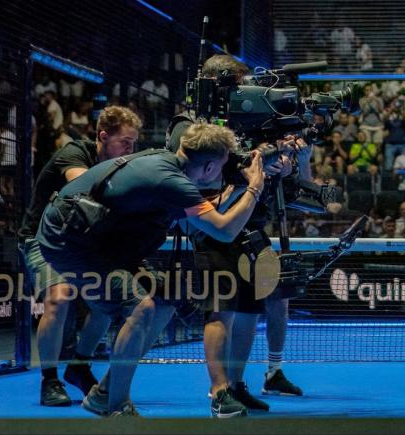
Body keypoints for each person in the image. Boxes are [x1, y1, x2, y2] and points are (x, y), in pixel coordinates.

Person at [32, 122, 264, 416]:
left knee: (164, 299)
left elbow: (204, 209)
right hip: (68, 242)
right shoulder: (169, 180)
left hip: (96, 238)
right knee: (139, 307)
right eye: (220, 165)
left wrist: (237, 187)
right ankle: (116, 407)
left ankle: (104, 393)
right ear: (207, 168)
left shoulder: (169, 165)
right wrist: (255, 187)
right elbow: (224, 229)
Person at [167, 54, 308, 417]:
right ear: (220, 83)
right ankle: (218, 392)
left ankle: (237, 384)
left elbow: (247, 169)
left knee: (248, 311)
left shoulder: (245, 124)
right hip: (212, 225)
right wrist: (246, 167)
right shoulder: (188, 126)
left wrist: (273, 164)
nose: (245, 92)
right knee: (221, 311)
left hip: (249, 223)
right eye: (239, 84)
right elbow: (198, 177)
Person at [18, 106, 141, 407]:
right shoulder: (74, 154)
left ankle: (79, 366)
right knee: (59, 298)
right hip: (42, 238)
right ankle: (49, 380)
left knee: (107, 302)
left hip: (82, 243)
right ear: (102, 137)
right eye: (125, 142)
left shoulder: (121, 166)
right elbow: (87, 190)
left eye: (134, 144)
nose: (130, 149)